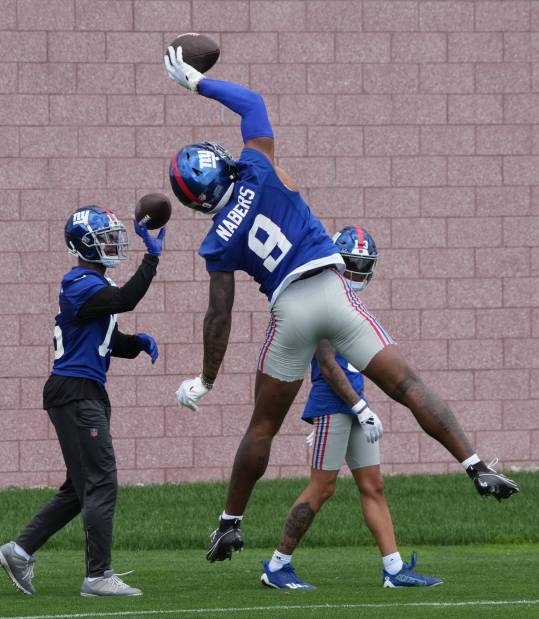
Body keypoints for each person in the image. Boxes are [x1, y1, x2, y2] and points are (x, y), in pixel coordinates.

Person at [163, 47, 519, 564]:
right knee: (408, 384)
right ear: (222, 165)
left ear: (195, 201)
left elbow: (219, 317)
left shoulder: (216, 241)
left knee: (262, 426)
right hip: (333, 292)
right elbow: (252, 103)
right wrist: (197, 84)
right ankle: (474, 464)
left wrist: (207, 379)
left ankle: (229, 524)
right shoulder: (259, 167)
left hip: (289, 313)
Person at [262, 225, 441, 589]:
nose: (358, 273)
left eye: (364, 266)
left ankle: (393, 570)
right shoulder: (325, 299)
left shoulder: (347, 301)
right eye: (352, 264)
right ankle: (277, 566)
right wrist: (360, 407)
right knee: (322, 487)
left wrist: (362, 405)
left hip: (357, 405)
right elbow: (327, 363)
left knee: (373, 485)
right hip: (334, 405)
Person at [0, 205, 166, 597]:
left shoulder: (92, 287)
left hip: (81, 391)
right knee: (102, 480)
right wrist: (152, 258)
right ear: (82, 246)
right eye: (103, 238)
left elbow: (106, 339)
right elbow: (125, 299)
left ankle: (20, 551)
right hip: (75, 393)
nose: (111, 243)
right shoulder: (80, 283)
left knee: (81, 488)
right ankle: (97, 576)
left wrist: (136, 344)